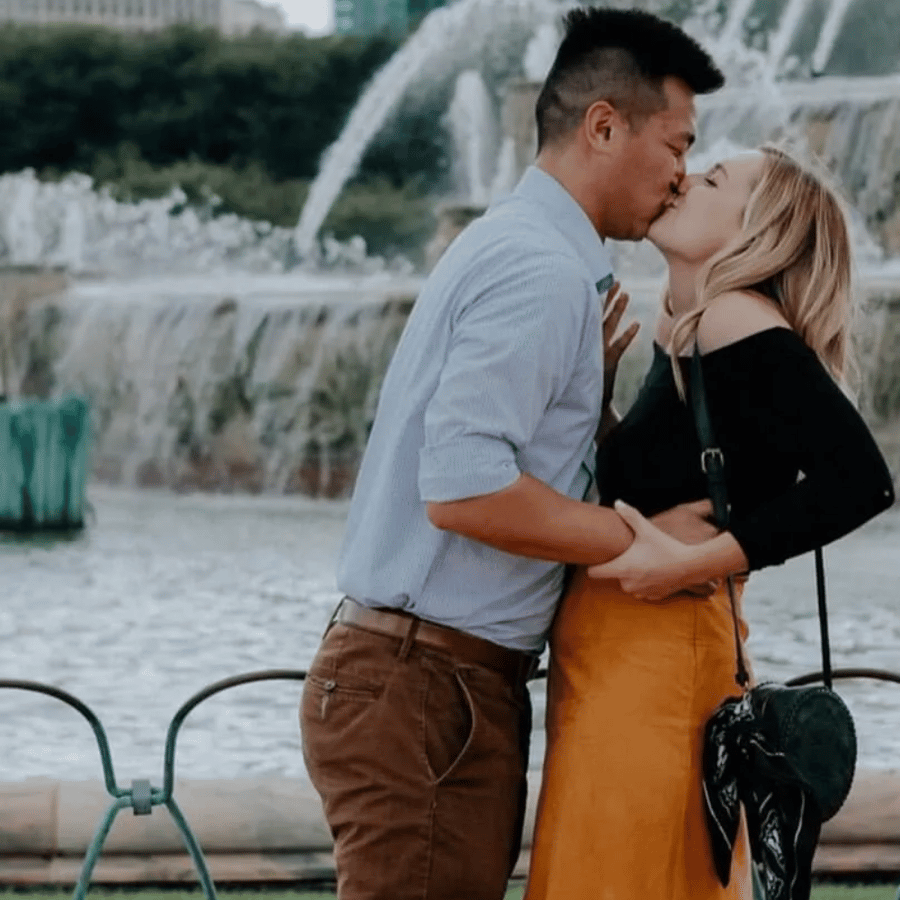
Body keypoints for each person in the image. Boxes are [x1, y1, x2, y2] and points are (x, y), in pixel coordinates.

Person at [299, 8, 726, 900]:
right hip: (428, 685)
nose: (683, 175)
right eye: (677, 145)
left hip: (432, 681)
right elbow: (465, 491)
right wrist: (647, 548)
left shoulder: (519, 246)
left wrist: (587, 409)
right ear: (603, 126)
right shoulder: (541, 270)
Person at [524, 146, 896, 900]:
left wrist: (692, 564)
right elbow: (651, 488)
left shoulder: (734, 318)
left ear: (759, 230)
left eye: (714, 180)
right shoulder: (692, 324)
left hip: (658, 652)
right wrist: (597, 397)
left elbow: (861, 481)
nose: (684, 179)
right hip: (622, 652)